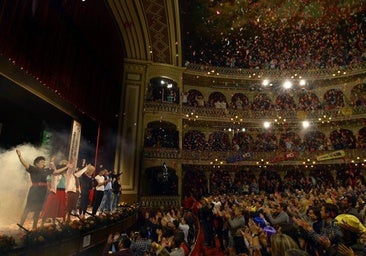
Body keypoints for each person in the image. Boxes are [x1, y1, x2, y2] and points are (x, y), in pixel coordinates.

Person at [16, 149, 70, 230]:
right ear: (37, 163)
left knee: (38, 209)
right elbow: (25, 164)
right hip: (34, 190)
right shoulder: (33, 169)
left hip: (42, 191)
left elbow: (56, 172)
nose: (43, 163)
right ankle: (20, 226)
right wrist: (20, 156)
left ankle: (34, 227)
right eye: (42, 162)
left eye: (44, 162)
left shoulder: (46, 170)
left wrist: (66, 167)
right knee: (27, 208)